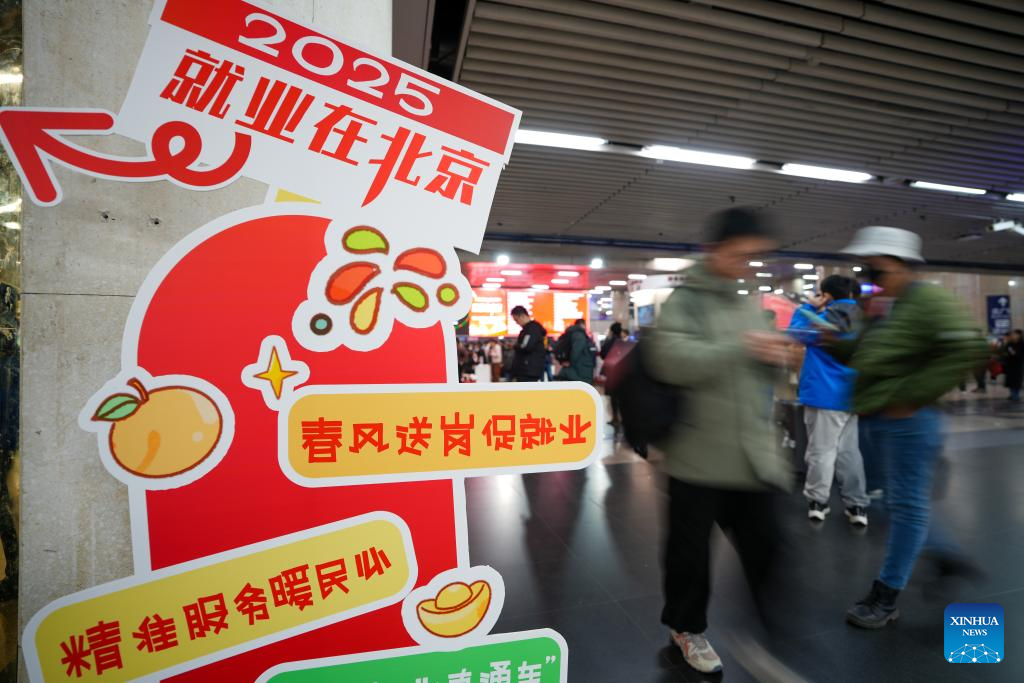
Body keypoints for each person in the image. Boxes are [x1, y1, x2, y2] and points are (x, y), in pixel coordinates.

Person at [647, 207, 797, 675]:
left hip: (751, 454)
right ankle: (685, 628)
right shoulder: (685, 301)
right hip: (697, 455)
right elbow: (670, 361)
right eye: (739, 253)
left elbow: (758, 371)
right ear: (714, 249)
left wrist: (777, 357)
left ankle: (771, 632)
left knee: (767, 545)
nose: (745, 263)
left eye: (753, 256)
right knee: (689, 556)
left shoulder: (747, 301)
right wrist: (742, 347)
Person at [827, 226, 986, 630]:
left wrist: (912, 397)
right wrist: (835, 341)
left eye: (877, 271)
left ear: (902, 266)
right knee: (881, 501)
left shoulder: (930, 300)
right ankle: (947, 553)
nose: (871, 280)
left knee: (906, 507)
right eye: (867, 273)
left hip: (909, 421)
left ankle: (885, 596)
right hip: (876, 417)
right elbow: (865, 352)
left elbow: (968, 347)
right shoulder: (884, 304)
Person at [788, 275, 870, 526]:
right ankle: (856, 505)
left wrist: (809, 306)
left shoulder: (823, 319)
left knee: (821, 451)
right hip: (851, 397)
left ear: (827, 295)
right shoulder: (863, 321)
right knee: (849, 452)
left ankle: (817, 501)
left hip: (823, 395)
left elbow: (796, 333)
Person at [510, 305, 547, 382]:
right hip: (530, 369)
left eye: (516, 320)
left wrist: (516, 346)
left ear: (522, 316)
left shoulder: (531, 329)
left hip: (527, 369)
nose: (517, 323)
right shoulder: (532, 329)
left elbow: (526, 346)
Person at [554, 318, 597, 383]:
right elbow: (576, 351)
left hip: (574, 367)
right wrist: (572, 363)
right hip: (579, 368)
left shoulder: (572, 333)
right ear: (582, 325)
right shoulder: (579, 335)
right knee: (582, 385)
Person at [1004, 329, 1023, 401]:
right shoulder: (1010, 343)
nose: (1013, 335)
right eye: (1013, 334)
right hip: (1010, 365)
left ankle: (1016, 395)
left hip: (1017, 365)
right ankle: (1012, 394)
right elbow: (1006, 352)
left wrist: (1011, 351)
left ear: (1019, 335)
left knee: (1016, 381)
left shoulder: (1021, 344)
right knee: (1010, 381)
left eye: (1015, 334)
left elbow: (1016, 354)